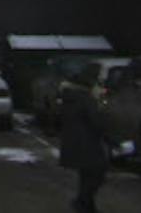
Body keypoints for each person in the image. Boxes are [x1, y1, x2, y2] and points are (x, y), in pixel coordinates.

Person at [55, 63, 108, 213]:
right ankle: (82, 202)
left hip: (74, 140)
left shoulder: (70, 94)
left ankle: (87, 205)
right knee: (98, 171)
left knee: (86, 174)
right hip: (87, 141)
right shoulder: (85, 96)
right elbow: (96, 120)